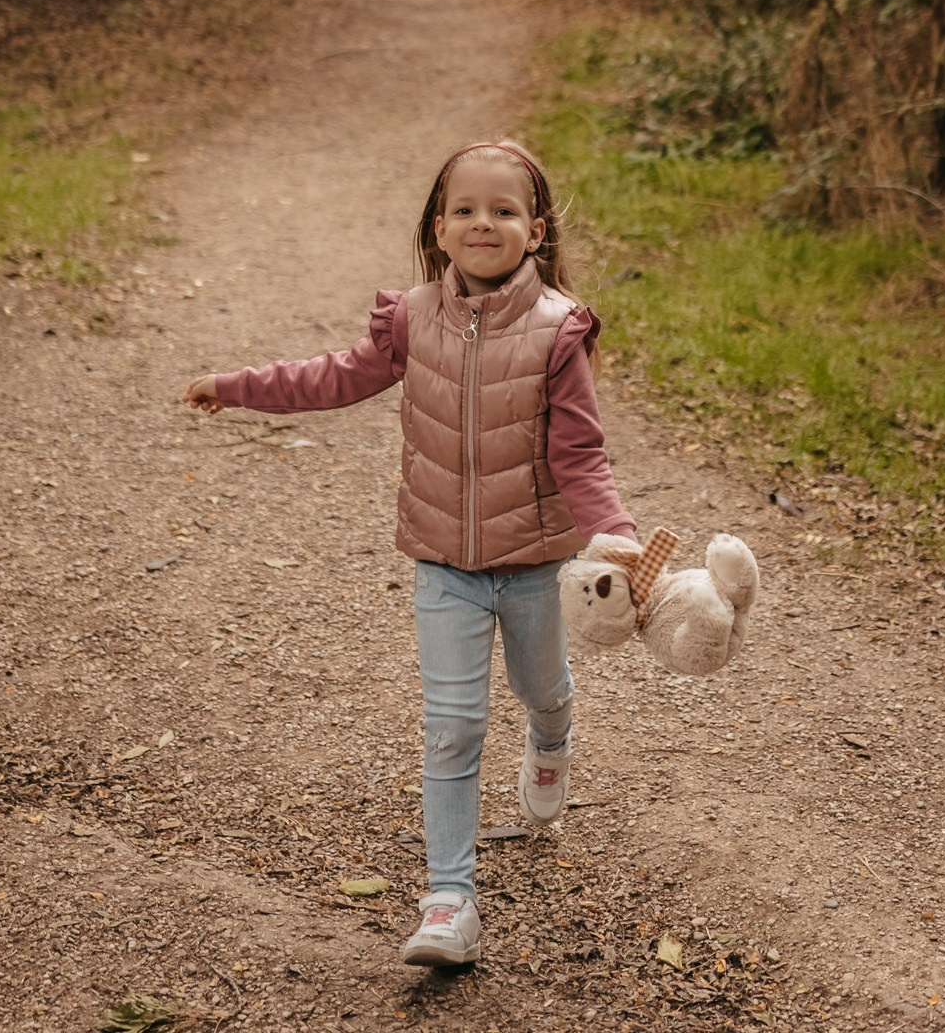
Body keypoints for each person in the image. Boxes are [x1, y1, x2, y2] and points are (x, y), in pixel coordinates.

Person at [183, 139, 636, 968]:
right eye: (464, 209)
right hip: (444, 566)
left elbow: (582, 455)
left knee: (541, 687)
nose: (483, 223)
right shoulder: (411, 318)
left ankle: (551, 739)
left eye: (504, 210)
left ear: (535, 231)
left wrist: (619, 542)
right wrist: (239, 384)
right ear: (438, 228)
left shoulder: (558, 329)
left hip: (533, 563)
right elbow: (333, 376)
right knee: (454, 728)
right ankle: (449, 900)